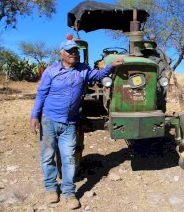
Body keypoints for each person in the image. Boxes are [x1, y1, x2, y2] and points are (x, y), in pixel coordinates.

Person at [30, 36, 124, 209]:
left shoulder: (83, 70)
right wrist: (34, 116)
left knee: (69, 158)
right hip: (49, 120)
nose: (74, 53)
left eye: (76, 51)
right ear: (61, 54)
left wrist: (111, 66)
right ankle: (51, 189)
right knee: (48, 157)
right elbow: (41, 94)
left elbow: (99, 75)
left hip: (70, 123)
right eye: (70, 51)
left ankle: (68, 192)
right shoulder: (51, 71)